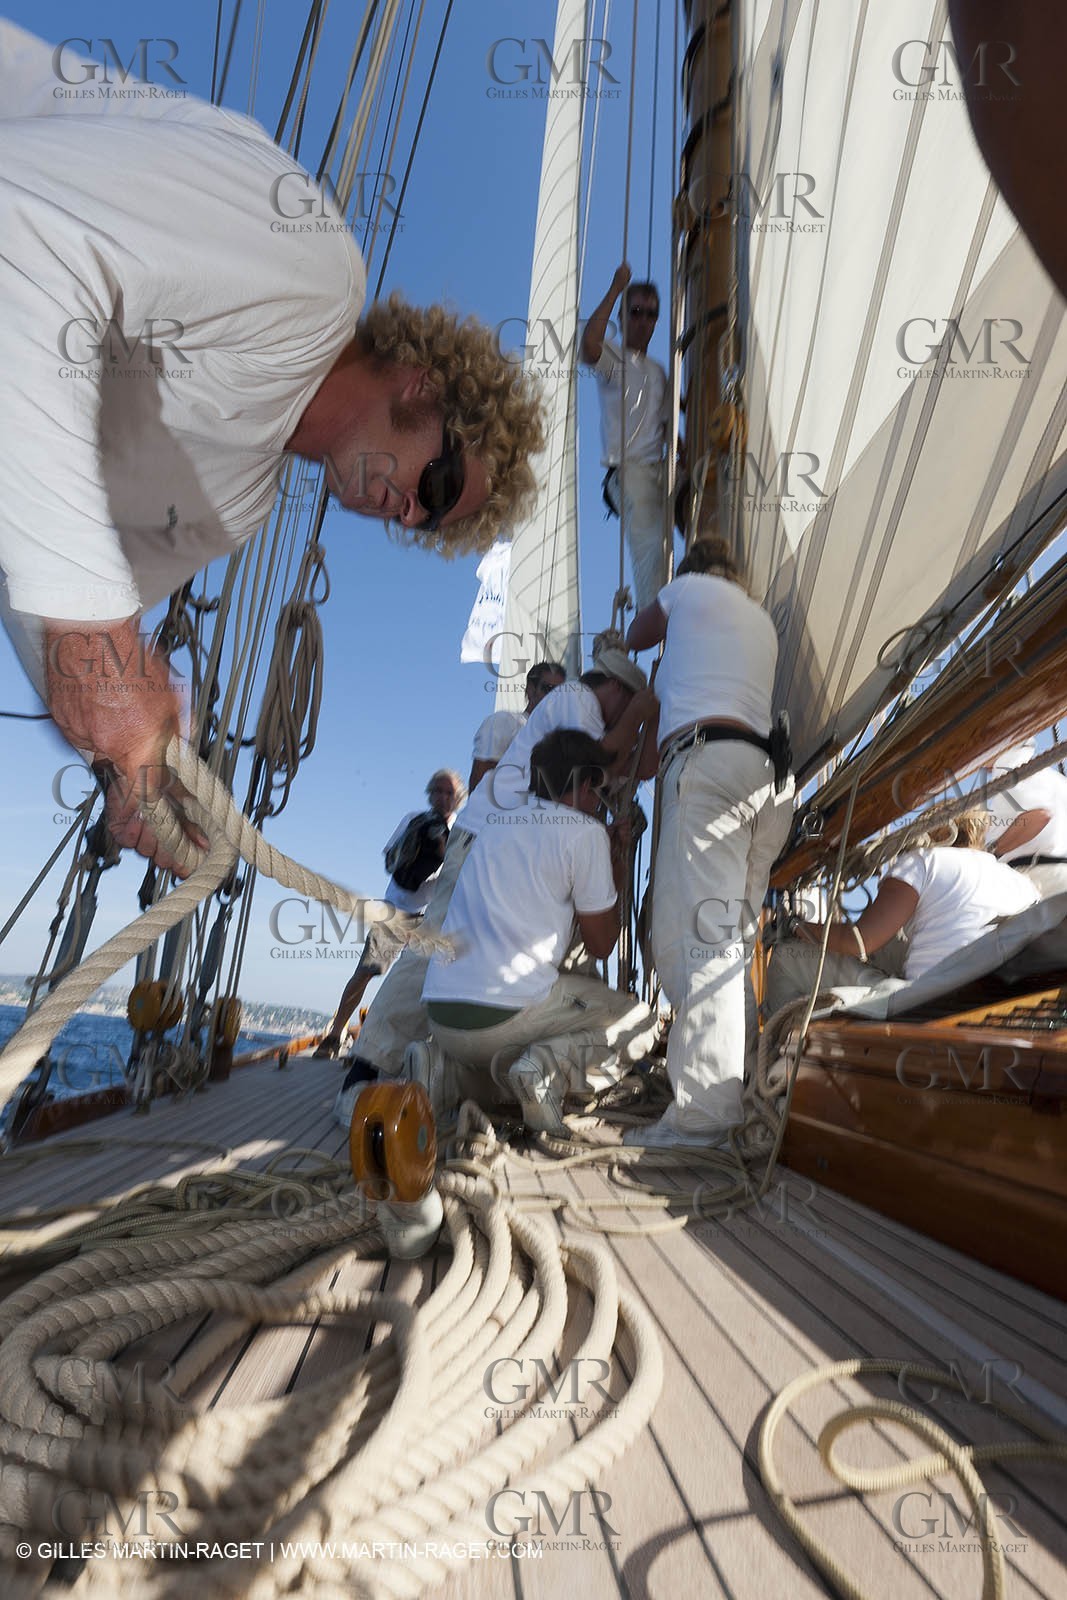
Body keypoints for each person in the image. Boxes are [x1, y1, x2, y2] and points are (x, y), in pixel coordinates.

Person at [0, 24, 544, 878]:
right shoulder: (309, 271)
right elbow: (20, 241)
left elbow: (44, 608)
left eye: (428, 521)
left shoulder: (237, 507)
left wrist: (143, 764)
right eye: (437, 482)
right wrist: (94, 645)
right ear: (421, 384)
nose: (411, 512)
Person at [334, 649, 658, 1097]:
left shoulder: (599, 731)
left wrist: (650, 719)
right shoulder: (576, 698)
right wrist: (641, 709)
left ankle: (504, 1067)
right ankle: (366, 1068)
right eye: (628, 707)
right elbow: (600, 757)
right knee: (435, 947)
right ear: (617, 690)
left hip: (516, 842)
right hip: (488, 837)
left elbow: (642, 764)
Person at [624, 537, 794, 1147]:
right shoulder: (760, 623)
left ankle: (703, 1119)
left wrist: (625, 647)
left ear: (695, 572)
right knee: (727, 941)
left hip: (708, 770)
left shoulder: (688, 591)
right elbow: (650, 760)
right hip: (767, 780)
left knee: (700, 941)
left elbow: (638, 632)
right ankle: (732, 1093)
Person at [418, 730, 659, 1135]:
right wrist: (615, 852)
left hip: (441, 1019)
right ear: (585, 786)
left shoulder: (492, 827)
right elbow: (601, 945)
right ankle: (545, 1071)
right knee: (642, 1022)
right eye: (598, 792)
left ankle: (444, 1072)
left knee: (512, 1050)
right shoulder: (585, 834)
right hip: (504, 1020)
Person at [784, 807, 1039, 990]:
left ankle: (764, 1058)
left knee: (785, 958)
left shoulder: (925, 861)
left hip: (925, 1000)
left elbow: (860, 942)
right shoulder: (1022, 883)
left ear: (930, 831)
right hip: (998, 1000)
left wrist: (797, 927)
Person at [315, 771, 463, 1058]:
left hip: (430, 919)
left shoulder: (462, 832)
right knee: (367, 972)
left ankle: (400, 1048)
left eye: (451, 793)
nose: (445, 798)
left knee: (423, 985)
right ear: (430, 794)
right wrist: (420, 856)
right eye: (440, 791)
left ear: (459, 799)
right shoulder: (412, 819)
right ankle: (335, 1034)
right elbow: (389, 860)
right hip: (394, 910)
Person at [580, 263, 671, 611]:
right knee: (650, 543)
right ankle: (656, 616)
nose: (643, 320)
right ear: (623, 314)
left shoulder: (660, 372)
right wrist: (617, 286)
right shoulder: (614, 357)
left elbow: (665, 428)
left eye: (651, 314)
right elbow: (590, 345)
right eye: (635, 312)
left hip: (663, 470)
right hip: (630, 472)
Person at [468, 661, 566, 794]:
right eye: (548, 688)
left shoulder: (562, 740)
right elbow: (480, 778)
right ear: (531, 689)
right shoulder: (504, 722)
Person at [986, 744, 1067, 896]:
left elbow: (1039, 817)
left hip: (1040, 880)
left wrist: (991, 853)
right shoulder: (1055, 778)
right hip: (1057, 875)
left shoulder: (1007, 765)